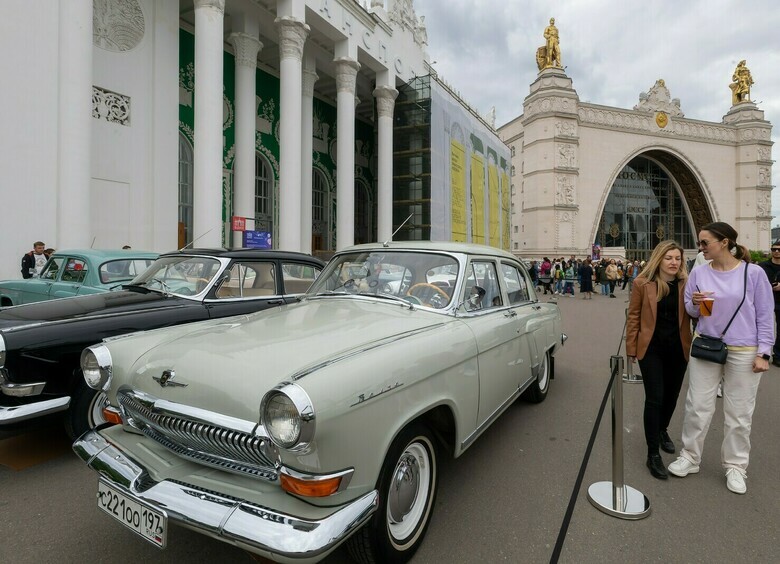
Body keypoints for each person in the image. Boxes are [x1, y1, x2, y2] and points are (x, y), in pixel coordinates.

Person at [668, 222, 773, 495]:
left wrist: (764, 351)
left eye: (705, 243)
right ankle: (690, 456)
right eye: (700, 243)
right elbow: (692, 310)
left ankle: (736, 466)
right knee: (697, 405)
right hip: (706, 346)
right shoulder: (699, 272)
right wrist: (696, 302)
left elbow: (764, 314)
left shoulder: (753, 273)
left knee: (739, 413)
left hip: (744, 350)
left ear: (724, 242)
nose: (700, 248)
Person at [626, 241, 692, 479]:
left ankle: (662, 429)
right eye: (669, 258)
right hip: (651, 349)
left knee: (672, 396)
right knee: (655, 398)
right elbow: (633, 316)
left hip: (678, 350)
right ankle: (652, 452)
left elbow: (697, 313)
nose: (674, 262)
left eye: (677, 258)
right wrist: (631, 348)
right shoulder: (642, 284)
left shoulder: (687, 284)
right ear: (659, 260)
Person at [758, 240, 780, 366]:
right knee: (763, 327)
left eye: (779, 250)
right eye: (774, 249)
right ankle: (761, 352)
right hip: (764, 300)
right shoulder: (762, 266)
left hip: (779, 301)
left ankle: (777, 355)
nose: (776, 252)